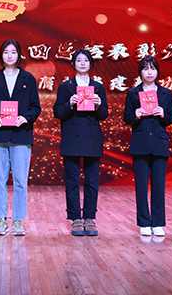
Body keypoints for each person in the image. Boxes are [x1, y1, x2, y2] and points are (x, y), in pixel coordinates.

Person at [0, 39, 42, 236]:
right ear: (1, 55)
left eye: (13, 52)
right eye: (6, 52)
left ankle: (17, 221)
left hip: (21, 134)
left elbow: (36, 107)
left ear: (19, 55)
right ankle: (0, 220)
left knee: (20, 180)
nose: (9, 55)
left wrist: (26, 118)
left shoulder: (28, 78)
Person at [53, 49, 108, 236]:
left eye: (86, 60)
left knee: (92, 180)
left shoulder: (98, 87)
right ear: (73, 64)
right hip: (72, 138)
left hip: (92, 138)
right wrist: (70, 103)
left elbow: (104, 115)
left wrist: (99, 105)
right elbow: (57, 112)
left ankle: (90, 217)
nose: (82, 63)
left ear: (91, 64)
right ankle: (75, 217)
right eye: (78, 60)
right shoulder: (65, 86)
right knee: (72, 180)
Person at [123, 56, 172, 237]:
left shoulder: (166, 93)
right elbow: (127, 118)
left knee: (159, 186)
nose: (149, 72)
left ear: (157, 71)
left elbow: (171, 118)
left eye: (152, 68)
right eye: (145, 69)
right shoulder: (133, 93)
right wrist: (136, 115)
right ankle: (144, 222)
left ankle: (158, 223)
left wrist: (163, 114)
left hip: (160, 144)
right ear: (140, 72)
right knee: (141, 186)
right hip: (140, 143)